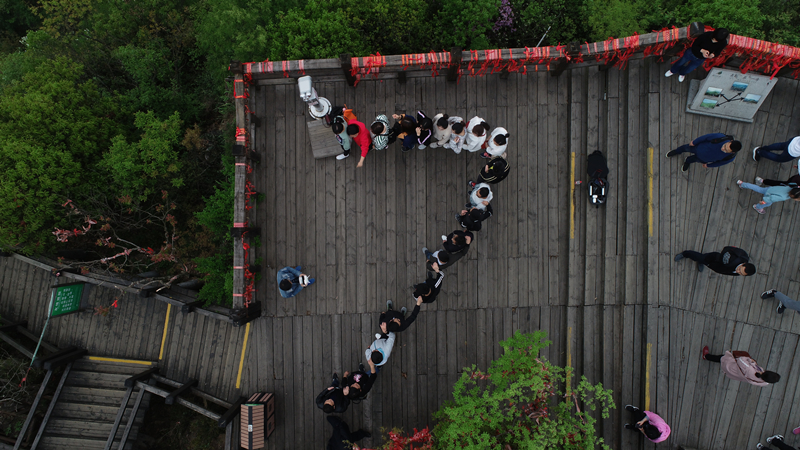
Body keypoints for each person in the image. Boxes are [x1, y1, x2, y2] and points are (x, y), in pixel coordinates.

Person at [665, 28, 729, 82]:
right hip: (691, 53)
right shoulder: (705, 35)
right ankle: (673, 70)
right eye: (714, 39)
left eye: (717, 41)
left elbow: (718, 52)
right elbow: (694, 46)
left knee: (690, 68)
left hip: (701, 58)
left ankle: (682, 73)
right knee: (680, 62)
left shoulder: (723, 43)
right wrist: (702, 50)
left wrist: (713, 55)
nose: (715, 41)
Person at [701, 346, 780, 386]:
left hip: (734, 367)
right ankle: (708, 357)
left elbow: (741, 360)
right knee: (722, 361)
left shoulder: (750, 370)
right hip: (739, 374)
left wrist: (750, 361)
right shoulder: (764, 383)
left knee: (721, 358)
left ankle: (706, 356)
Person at [665, 133, 742, 172]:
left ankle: (687, 161)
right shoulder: (721, 137)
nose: (723, 148)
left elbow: (719, 163)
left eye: (726, 150)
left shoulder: (730, 158)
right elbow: (706, 137)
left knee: (692, 159)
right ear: (731, 141)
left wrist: (709, 165)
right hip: (697, 147)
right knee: (685, 148)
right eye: (725, 146)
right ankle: (677, 151)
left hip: (703, 159)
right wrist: (695, 142)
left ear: (732, 152)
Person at [674, 246, 755, 276]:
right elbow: (727, 249)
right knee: (700, 257)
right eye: (740, 269)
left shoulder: (737, 272)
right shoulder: (739, 256)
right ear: (744, 264)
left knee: (702, 260)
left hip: (715, 266)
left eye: (741, 273)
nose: (738, 272)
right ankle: (685, 254)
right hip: (713, 258)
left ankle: (701, 262)